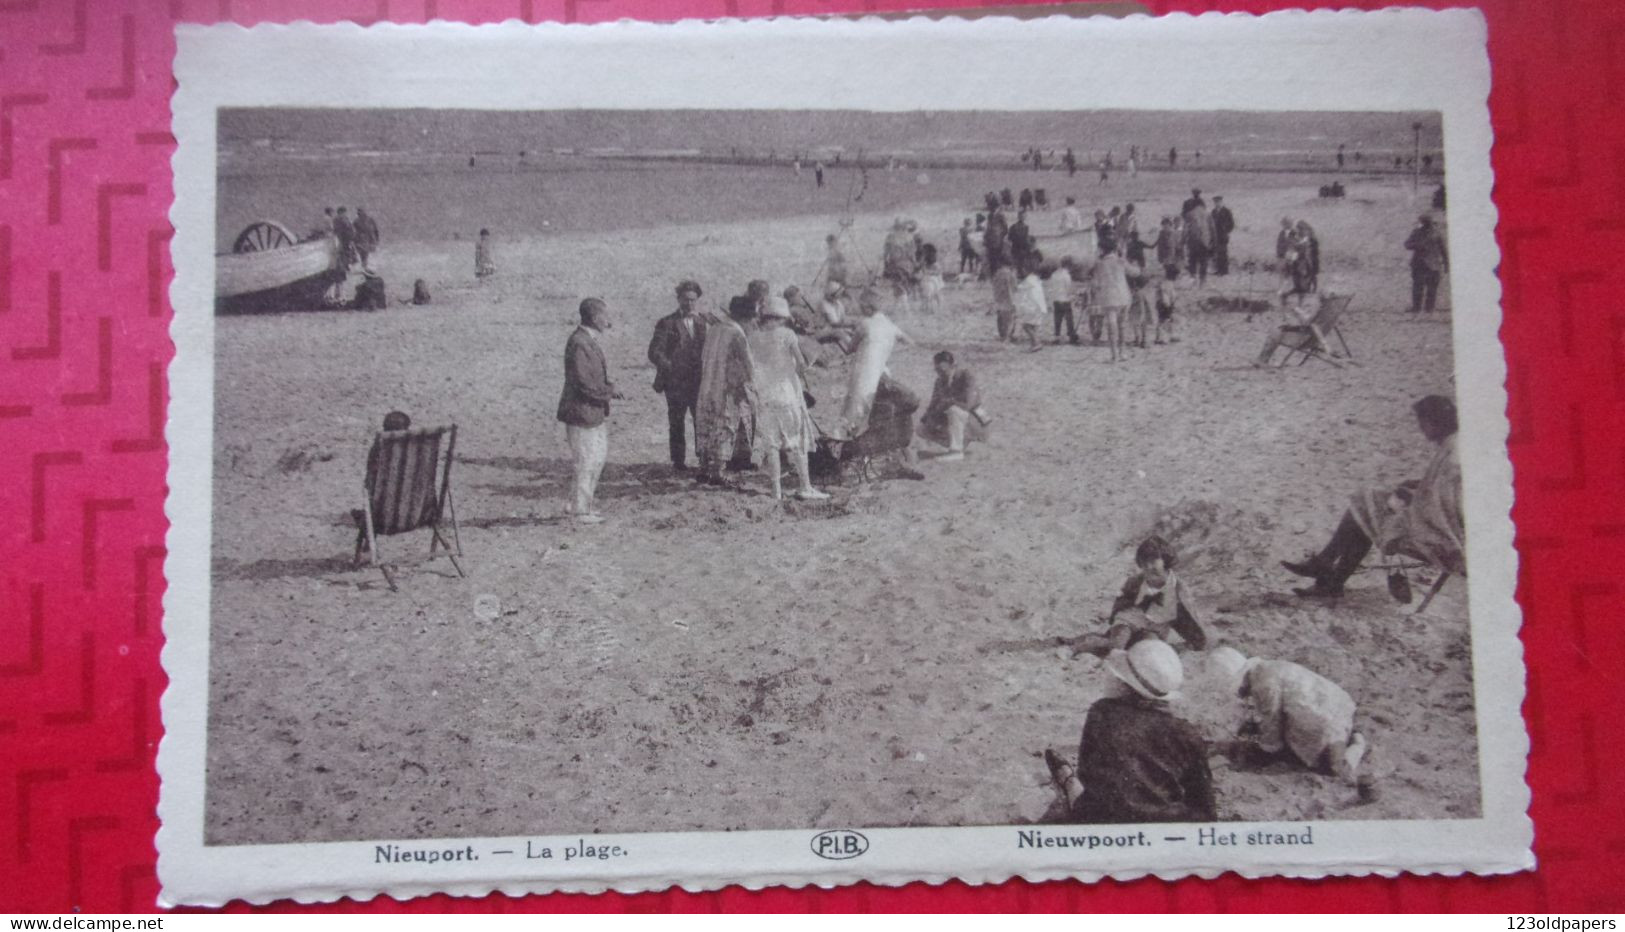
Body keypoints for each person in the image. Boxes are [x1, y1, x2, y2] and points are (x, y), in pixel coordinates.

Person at [1282, 395, 1463, 597]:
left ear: (1434, 422)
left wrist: (1408, 500)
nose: (1421, 429)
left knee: (1365, 507)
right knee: (1368, 502)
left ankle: (1327, 570)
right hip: (1449, 529)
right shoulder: (1456, 444)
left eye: (1423, 423)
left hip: (1443, 541)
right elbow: (1444, 493)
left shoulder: (1453, 455)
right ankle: (1329, 574)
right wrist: (1418, 487)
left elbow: (1441, 508)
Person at [1043, 638, 1217, 825]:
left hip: (1104, 822)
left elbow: (1089, 777)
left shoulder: (1101, 713)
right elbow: (1205, 808)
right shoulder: (1186, 733)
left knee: (1081, 795)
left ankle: (1068, 780)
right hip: (1165, 828)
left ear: (1124, 684)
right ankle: (1069, 781)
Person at [1208, 647, 1372, 796]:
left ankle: (1358, 743)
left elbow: (1271, 722)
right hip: (1334, 703)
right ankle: (1348, 731)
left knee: (1333, 768)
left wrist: (1264, 751)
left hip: (1326, 720)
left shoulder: (1263, 685)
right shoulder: (1266, 667)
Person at [747, 297, 829, 501]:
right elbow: (801, 366)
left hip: (765, 397)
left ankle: (776, 491)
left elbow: (752, 368)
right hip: (787, 395)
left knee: (772, 444)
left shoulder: (753, 338)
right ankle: (805, 486)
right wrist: (809, 362)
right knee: (797, 442)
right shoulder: (787, 334)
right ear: (781, 317)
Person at [1072, 535, 1208, 657]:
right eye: (1144, 563)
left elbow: (1190, 617)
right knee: (1116, 646)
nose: (1149, 567)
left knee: (1148, 650)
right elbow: (1122, 604)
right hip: (1130, 619)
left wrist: (1196, 641)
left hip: (1156, 626)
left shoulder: (1178, 588)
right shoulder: (1135, 582)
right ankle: (1076, 646)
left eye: (1154, 561)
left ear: (1165, 559)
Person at [556, 298, 622, 524]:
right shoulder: (580, 343)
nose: (608, 321)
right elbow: (583, 383)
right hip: (582, 412)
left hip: (590, 412)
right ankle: (580, 510)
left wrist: (606, 389)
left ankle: (575, 503)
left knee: (594, 458)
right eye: (605, 316)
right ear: (595, 318)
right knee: (587, 460)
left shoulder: (585, 340)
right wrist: (608, 391)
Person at [647, 280, 710, 472]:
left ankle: (704, 459)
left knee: (701, 419)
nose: (689, 304)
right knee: (676, 421)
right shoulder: (667, 322)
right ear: (678, 299)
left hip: (699, 381)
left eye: (693, 300)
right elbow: (654, 352)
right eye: (685, 300)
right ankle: (679, 462)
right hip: (675, 383)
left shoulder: (703, 322)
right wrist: (671, 367)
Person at [695, 295, 758, 487]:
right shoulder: (736, 333)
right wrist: (751, 383)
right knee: (725, 425)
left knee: (707, 422)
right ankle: (718, 472)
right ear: (746, 317)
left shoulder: (714, 329)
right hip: (726, 386)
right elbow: (749, 364)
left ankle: (704, 468)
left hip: (707, 382)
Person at [838, 288, 914, 440]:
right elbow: (909, 342)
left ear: (868, 307)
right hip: (882, 373)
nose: (860, 309)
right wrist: (886, 353)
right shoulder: (889, 324)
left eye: (862, 306)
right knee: (876, 408)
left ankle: (851, 441)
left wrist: (839, 336)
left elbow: (849, 349)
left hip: (863, 373)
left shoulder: (865, 324)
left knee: (855, 410)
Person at [916, 350, 986, 461]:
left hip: (976, 419)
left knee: (954, 410)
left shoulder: (966, 376)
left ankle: (957, 451)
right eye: (937, 370)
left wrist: (947, 402)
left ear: (953, 366)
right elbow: (932, 405)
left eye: (943, 370)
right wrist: (929, 418)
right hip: (959, 420)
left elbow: (968, 404)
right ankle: (960, 444)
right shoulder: (939, 382)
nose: (939, 373)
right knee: (921, 428)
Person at [1091, 246, 1131, 362]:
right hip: (1123, 296)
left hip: (1109, 298)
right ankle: (1122, 352)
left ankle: (1114, 356)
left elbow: (1095, 284)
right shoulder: (1120, 261)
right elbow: (1135, 272)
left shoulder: (1100, 264)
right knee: (1122, 325)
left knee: (1112, 327)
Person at [1405, 214, 1448, 313]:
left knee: (1431, 288)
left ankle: (1429, 308)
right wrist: (1417, 246)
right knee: (1418, 287)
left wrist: (1446, 264)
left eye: (1424, 222)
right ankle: (1417, 308)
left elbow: (1444, 250)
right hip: (1420, 264)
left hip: (1433, 265)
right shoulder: (1417, 232)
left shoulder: (1436, 234)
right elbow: (1407, 244)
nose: (1423, 225)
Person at [1013, 255, 1046, 352]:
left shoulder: (1028, 281)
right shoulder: (1036, 280)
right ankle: (1034, 343)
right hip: (1038, 307)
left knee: (1026, 325)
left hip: (1032, 307)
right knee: (1032, 326)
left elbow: (1018, 288)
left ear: (1026, 270)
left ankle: (1036, 343)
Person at [1182, 196, 1214, 287]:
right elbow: (1212, 229)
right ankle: (1202, 281)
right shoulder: (1208, 214)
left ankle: (1193, 280)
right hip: (1204, 242)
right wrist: (1213, 242)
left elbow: (1185, 229)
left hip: (1193, 242)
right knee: (1203, 261)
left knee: (1192, 261)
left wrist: (1183, 241)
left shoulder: (1189, 214)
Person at [1047, 258, 1079, 345]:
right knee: (1069, 319)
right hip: (1065, 300)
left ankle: (1057, 336)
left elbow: (1051, 288)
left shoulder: (1054, 274)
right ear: (1068, 266)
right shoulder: (1066, 275)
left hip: (1056, 300)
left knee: (1057, 319)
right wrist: (1074, 296)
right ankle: (1071, 335)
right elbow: (1068, 288)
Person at [991, 261, 1018, 342]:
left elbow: (995, 286)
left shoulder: (997, 273)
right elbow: (1012, 287)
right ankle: (1008, 336)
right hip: (1008, 298)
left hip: (999, 298)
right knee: (1010, 318)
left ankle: (1002, 335)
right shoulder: (1010, 274)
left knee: (1000, 316)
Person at [1211, 196, 1235, 276]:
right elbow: (1211, 224)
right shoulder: (1213, 212)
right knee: (1217, 253)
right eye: (1215, 202)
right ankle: (1218, 270)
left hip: (1223, 236)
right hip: (1215, 236)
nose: (1217, 203)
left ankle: (1224, 270)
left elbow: (1232, 224)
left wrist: (1226, 230)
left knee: (1223, 253)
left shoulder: (1226, 211)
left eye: (1218, 202)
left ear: (1221, 202)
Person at [1295, 219, 1321, 292]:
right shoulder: (1300, 239)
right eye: (1299, 229)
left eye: (1301, 229)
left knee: (1311, 276)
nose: (1299, 231)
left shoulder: (1312, 240)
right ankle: (1304, 290)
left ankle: (1312, 290)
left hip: (1311, 261)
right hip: (1303, 262)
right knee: (1303, 276)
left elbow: (1315, 252)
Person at [352, 207, 380, 272]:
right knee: (363, 253)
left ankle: (365, 266)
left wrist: (376, 238)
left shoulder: (370, 220)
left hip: (369, 239)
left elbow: (375, 230)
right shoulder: (356, 221)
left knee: (366, 253)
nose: (359, 213)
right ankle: (364, 266)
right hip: (360, 239)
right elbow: (354, 230)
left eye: (361, 211)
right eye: (358, 212)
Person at [1152, 276, 1179, 345]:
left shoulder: (1163, 283)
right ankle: (1163, 338)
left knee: (1164, 320)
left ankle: (1161, 337)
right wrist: (1171, 304)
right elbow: (1172, 295)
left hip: (1162, 303)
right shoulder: (1169, 284)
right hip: (1166, 304)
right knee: (1165, 321)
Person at [919, 243, 944, 314]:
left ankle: (939, 307)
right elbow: (923, 270)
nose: (923, 254)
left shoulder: (935, 264)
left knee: (937, 294)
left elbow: (938, 272)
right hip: (928, 279)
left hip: (936, 280)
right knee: (927, 294)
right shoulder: (924, 262)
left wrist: (929, 273)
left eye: (925, 252)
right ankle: (928, 308)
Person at [1154, 216, 1179, 281]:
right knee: (1167, 266)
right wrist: (1159, 255)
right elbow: (1159, 244)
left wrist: (1178, 252)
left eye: (1167, 225)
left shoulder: (1173, 233)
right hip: (1164, 253)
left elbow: (1176, 243)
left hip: (1171, 252)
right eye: (1164, 225)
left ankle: (1172, 278)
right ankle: (1170, 279)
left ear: (1170, 225)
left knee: (1171, 266)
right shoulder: (1161, 233)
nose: (1165, 226)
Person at [332, 207, 355, 272]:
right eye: (344, 212)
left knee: (343, 252)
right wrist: (351, 234)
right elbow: (348, 227)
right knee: (345, 252)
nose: (345, 213)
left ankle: (345, 266)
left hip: (342, 237)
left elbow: (335, 229)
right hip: (345, 238)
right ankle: (345, 266)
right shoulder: (342, 219)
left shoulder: (336, 219)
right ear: (341, 212)